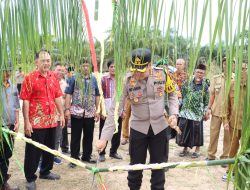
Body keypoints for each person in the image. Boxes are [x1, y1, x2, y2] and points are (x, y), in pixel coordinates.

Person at [97, 48, 179, 190]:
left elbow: (172, 94)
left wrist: (173, 114)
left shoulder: (162, 74)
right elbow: (115, 110)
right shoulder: (127, 80)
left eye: (141, 70)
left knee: (159, 168)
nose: (137, 74)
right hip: (138, 129)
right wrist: (104, 138)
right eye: (135, 69)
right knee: (135, 169)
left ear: (149, 65)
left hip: (159, 128)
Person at [20, 50, 65, 190]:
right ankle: (30, 178)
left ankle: (45, 171)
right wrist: (27, 121)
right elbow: (25, 101)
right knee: (33, 151)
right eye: (43, 60)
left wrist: (61, 114)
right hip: (36, 122)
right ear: (36, 62)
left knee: (50, 148)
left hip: (52, 120)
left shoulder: (53, 77)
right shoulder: (29, 78)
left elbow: (57, 96)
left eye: (48, 60)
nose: (46, 63)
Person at [65, 58, 100, 167]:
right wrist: (67, 109)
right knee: (75, 136)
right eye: (83, 65)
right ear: (80, 67)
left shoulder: (94, 79)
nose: (85, 67)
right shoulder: (74, 78)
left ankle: (86, 156)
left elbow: (97, 94)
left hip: (89, 112)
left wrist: (97, 110)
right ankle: (74, 159)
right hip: (77, 112)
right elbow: (68, 94)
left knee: (89, 136)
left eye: (87, 65)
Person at [176, 63, 210, 158]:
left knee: (197, 132)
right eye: (198, 72)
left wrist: (205, 111)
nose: (199, 74)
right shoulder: (187, 83)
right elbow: (182, 95)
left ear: (204, 74)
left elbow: (206, 101)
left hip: (197, 113)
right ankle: (185, 148)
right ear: (195, 72)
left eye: (202, 73)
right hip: (185, 112)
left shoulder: (205, 87)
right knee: (184, 130)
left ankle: (197, 149)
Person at [222, 62, 248, 181]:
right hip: (234, 124)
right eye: (239, 70)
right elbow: (226, 105)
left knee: (246, 149)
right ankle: (230, 171)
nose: (242, 72)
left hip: (247, 126)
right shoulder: (231, 85)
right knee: (232, 149)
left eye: (244, 69)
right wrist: (225, 121)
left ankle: (245, 172)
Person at [206, 57, 234, 163]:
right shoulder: (216, 78)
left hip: (230, 114)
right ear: (222, 65)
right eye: (225, 63)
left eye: (230, 63)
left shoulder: (236, 79)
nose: (227, 65)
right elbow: (212, 94)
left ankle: (225, 158)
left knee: (228, 137)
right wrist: (209, 108)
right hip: (216, 111)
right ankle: (211, 156)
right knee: (213, 134)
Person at [0, 63, 20, 190]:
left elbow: (17, 107)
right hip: (1, 128)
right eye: (5, 70)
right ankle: (2, 183)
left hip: (11, 126)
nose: (8, 73)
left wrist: (18, 122)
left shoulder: (14, 88)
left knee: (8, 153)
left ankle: (3, 180)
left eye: (10, 70)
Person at [98, 59, 123, 161]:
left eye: (115, 66)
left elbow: (124, 97)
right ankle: (101, 152)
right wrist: (101, 110)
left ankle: (113, 152)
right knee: (104, 130)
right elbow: (100, 95)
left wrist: (124, 110)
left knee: (117, 131)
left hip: (118, 110)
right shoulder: (104, 79)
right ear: (108, 68)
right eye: (111, 67)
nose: (113, 68)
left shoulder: (121, 80)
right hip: (106, 109)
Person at [53, 62, 68, 164]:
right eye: (58, 70)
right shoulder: (50, 81)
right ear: (54, 70)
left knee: (58, 137)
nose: (60, 72)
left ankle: (54, 156)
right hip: (50, 115)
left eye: (62, 70)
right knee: (47, 138)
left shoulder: (65, 84)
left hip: (60, 115)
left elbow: (66, 98)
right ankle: (44, 158)